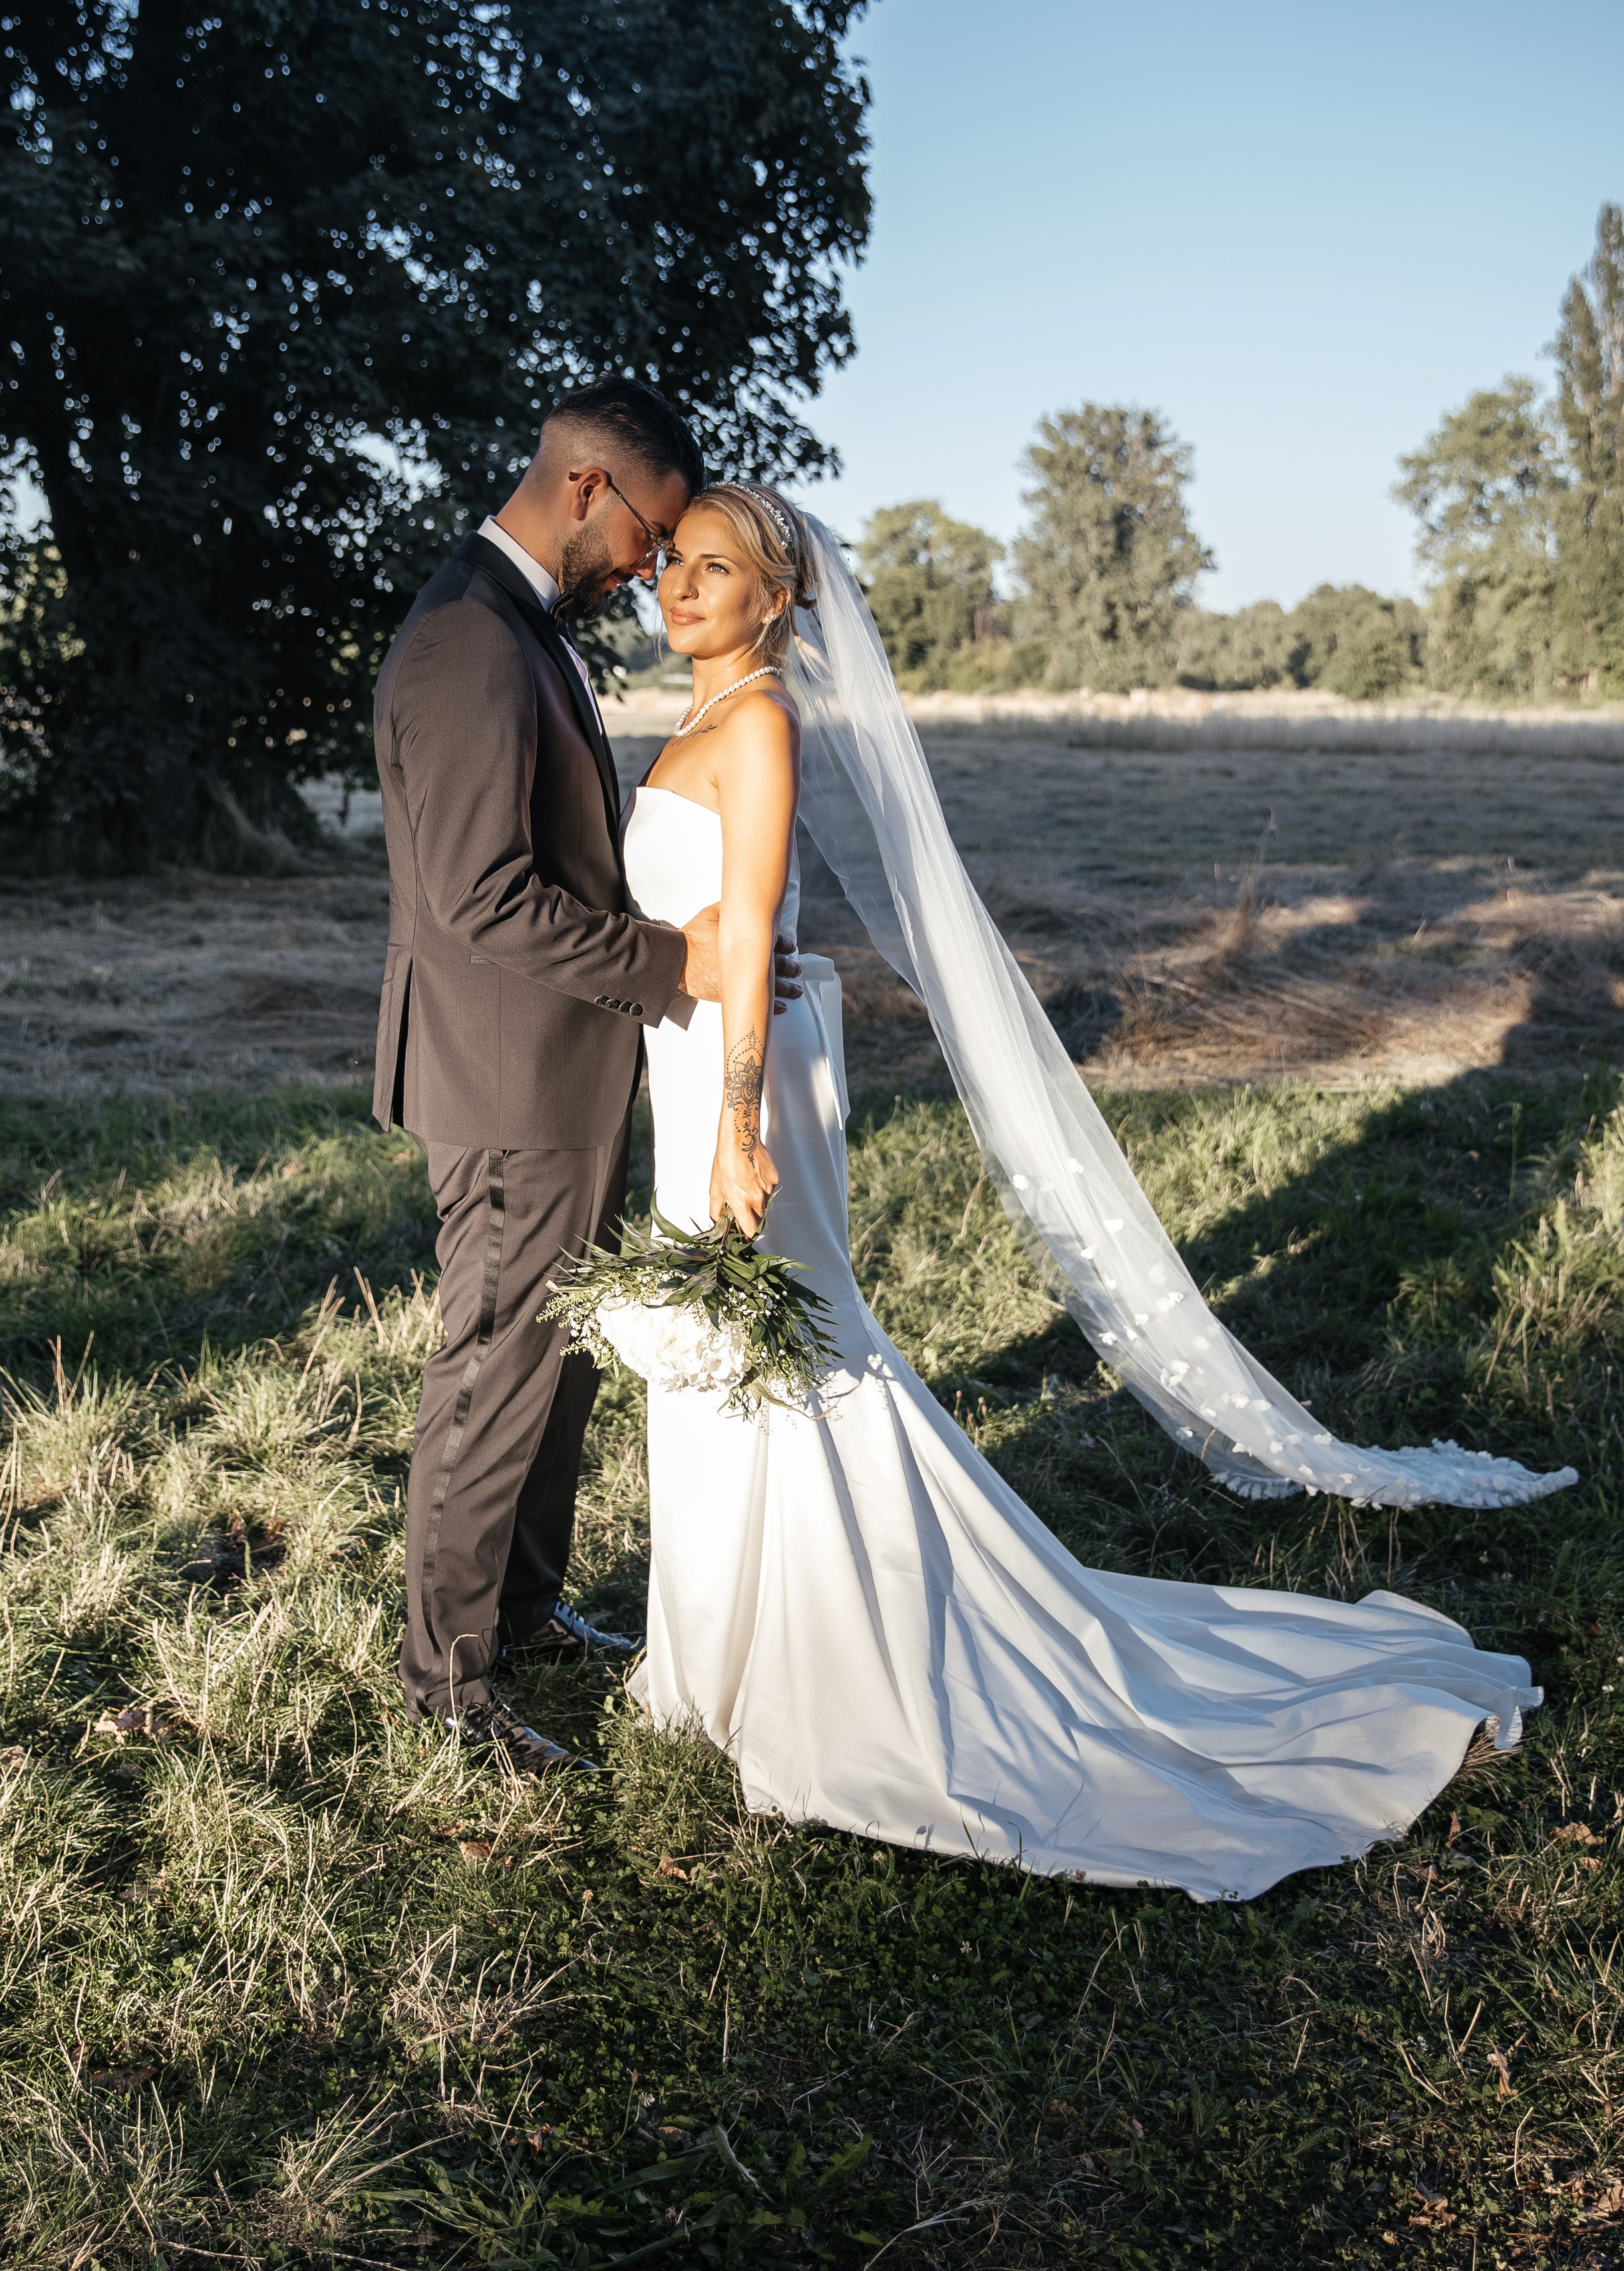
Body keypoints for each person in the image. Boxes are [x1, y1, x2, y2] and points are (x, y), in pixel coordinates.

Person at [617, 479, 1573, 1902]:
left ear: (777, 598)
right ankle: (723, 1638)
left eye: (711, 568)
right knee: (738, 1349)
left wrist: (735, 1127)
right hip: (694, 1063)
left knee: (779, 1344)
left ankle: (821, 1644)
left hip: (739, 1083)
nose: (677, 586)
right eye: (666, 562)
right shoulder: (691, 719)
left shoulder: (755, 723)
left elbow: (746, 938)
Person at [371, 377, 800, 1769]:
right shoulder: (467, 644)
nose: (648, 572)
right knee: (496, 1367)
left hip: (560, 1070)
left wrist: (698, 950)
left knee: (553, 1365)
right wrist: (684, 970)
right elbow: (475, 902)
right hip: (504, 1084)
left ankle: (529, 1612)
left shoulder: (518, 633)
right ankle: (445, 1684)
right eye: (647, 538)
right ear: (584, 490)